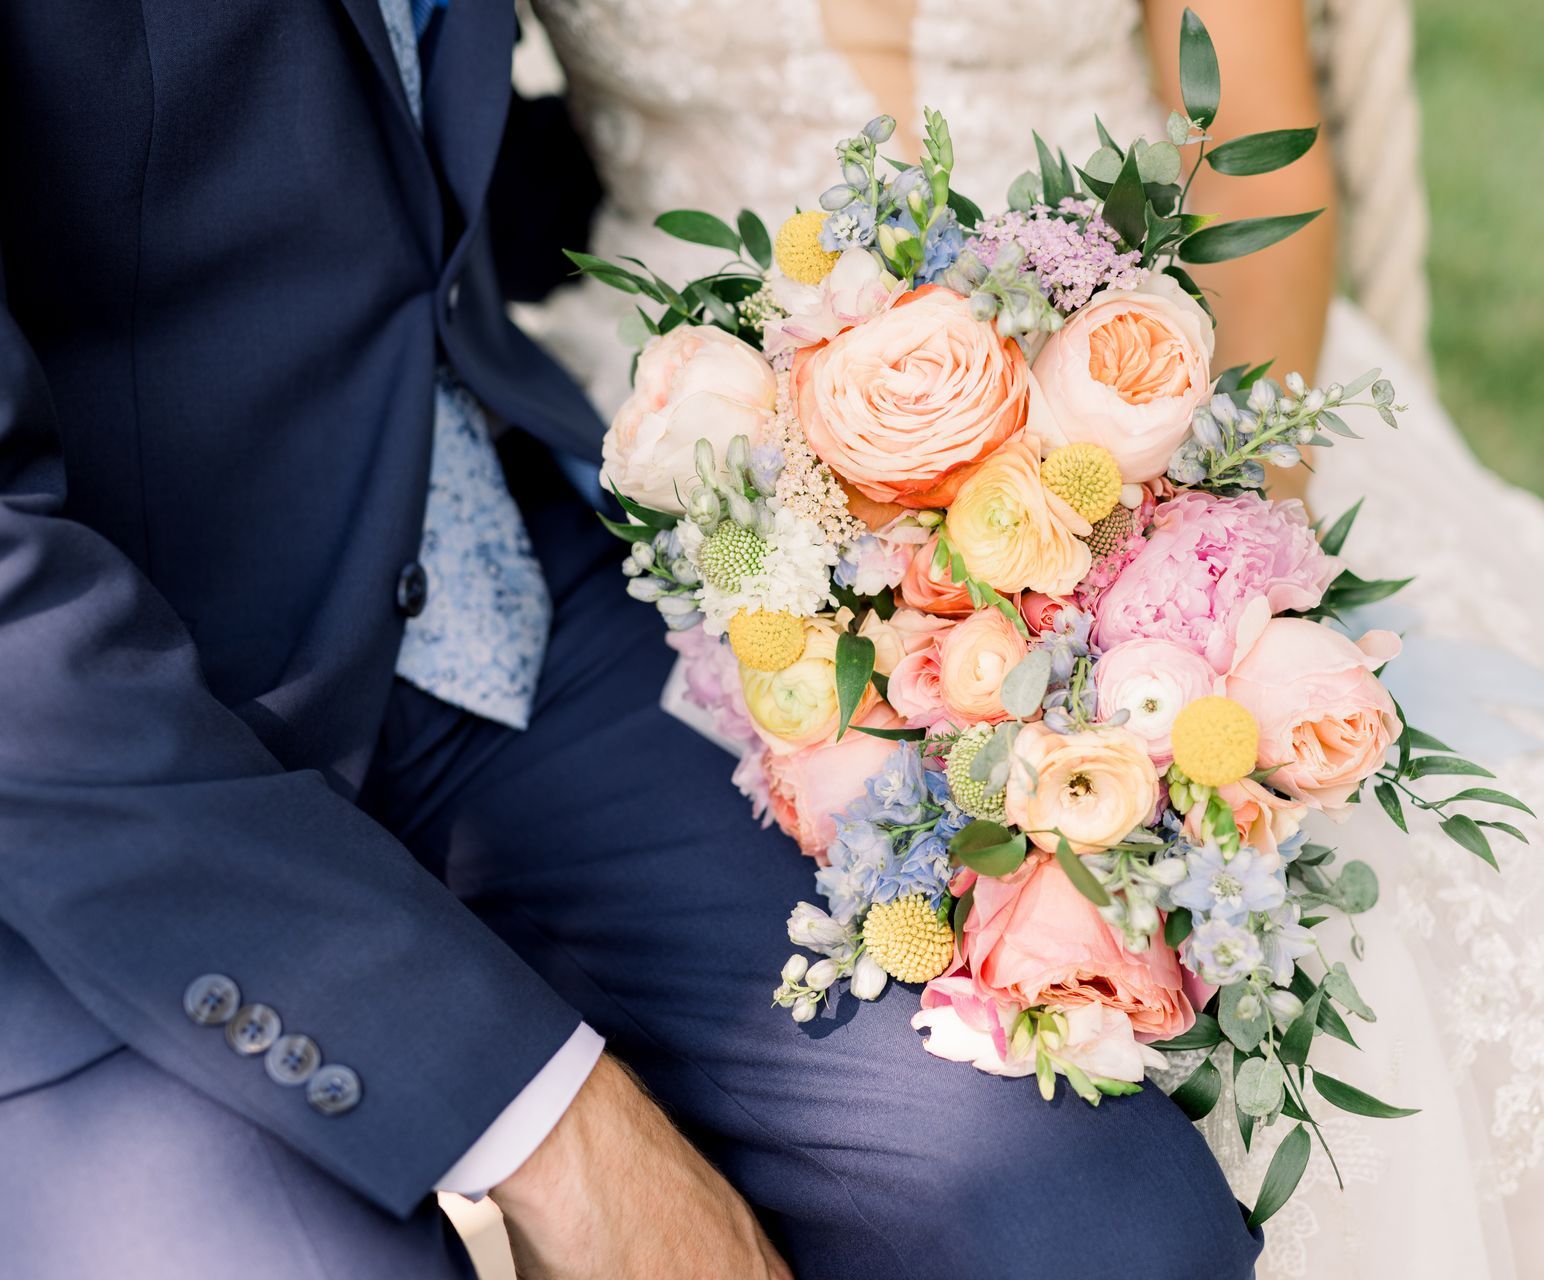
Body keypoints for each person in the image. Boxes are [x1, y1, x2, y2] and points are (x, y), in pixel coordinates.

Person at [517, 0, 1544, 1275]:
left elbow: (1257, 137)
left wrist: (1205, 554)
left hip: (1187, 379)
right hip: (739, 465)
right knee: (1015, 1011)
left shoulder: (1207, 456)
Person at [1, 2, 1260, 1277]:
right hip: (100, 756)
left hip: (502, 585)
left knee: (1095, 1229)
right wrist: (555, 1123)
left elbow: (337, 131)